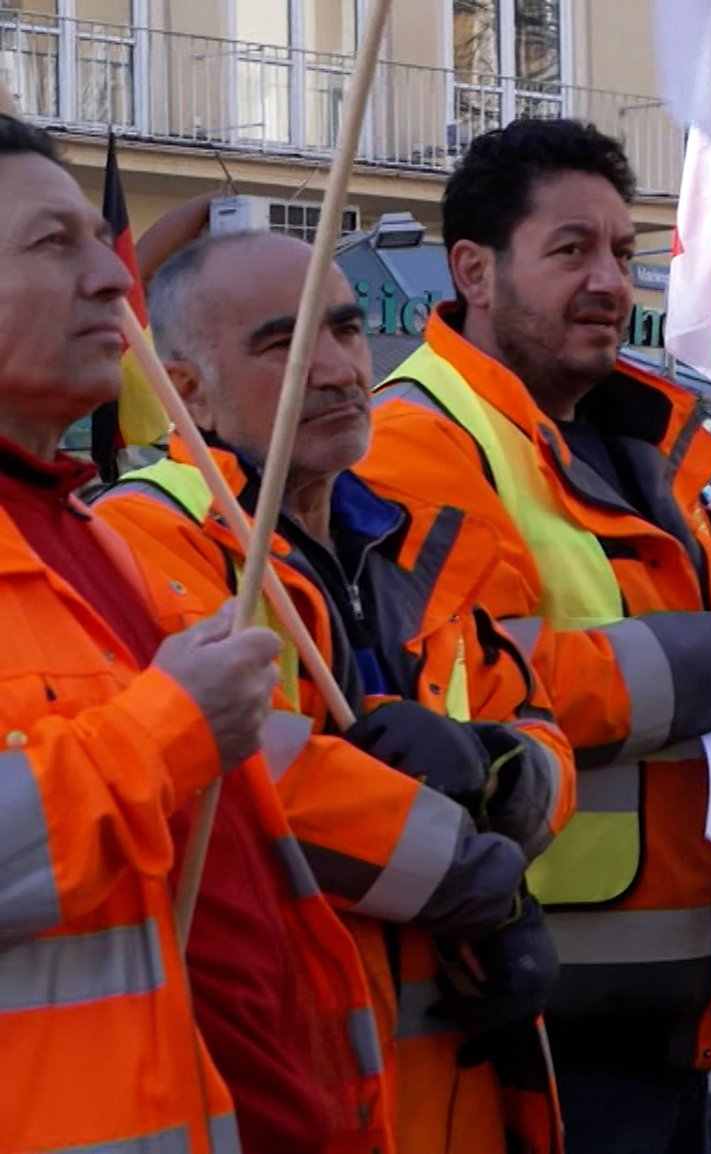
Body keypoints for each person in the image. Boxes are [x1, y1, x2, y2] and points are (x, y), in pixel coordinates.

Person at [357, 118, 711, 1153]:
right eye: (571, 250)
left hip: (660, 996)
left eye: (622, 251)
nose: (609, 279)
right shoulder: (416, 440)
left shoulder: (640, 436)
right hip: (533, 995)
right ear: (472, 269)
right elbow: (460, 690)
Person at [94, 230, 579, 1154]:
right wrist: (477, 877)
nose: (336, 370)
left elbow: (539, 724)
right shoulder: (145, 544)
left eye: (348, 330)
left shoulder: (419, 542)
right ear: (182, 390)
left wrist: (498, 767)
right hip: (300, 1079)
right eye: (281, 345)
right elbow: (247, 776)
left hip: (467, 1079)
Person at [0, 112, 394, 1154]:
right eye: (54, 245)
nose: (115, 278)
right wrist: (167, 728)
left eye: (101, 238)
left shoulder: (82, 532)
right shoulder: (141, 528)